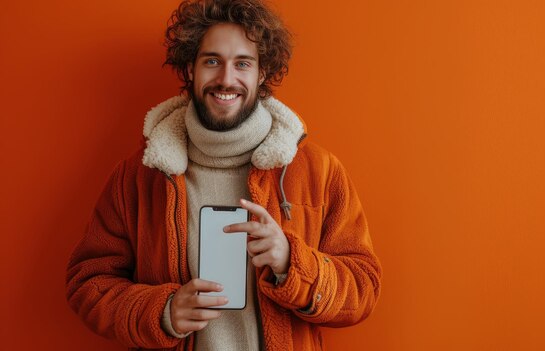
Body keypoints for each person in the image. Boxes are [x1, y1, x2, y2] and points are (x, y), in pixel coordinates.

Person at [65, 0, 382, 350]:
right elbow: (88, 283)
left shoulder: (318, 171)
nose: (226, 79)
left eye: (242, 63)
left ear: (262, 73)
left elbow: (363, 289)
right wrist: (162, 311)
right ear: (190, 69)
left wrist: (291, 262)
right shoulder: (140, 174)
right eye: (212, 61)